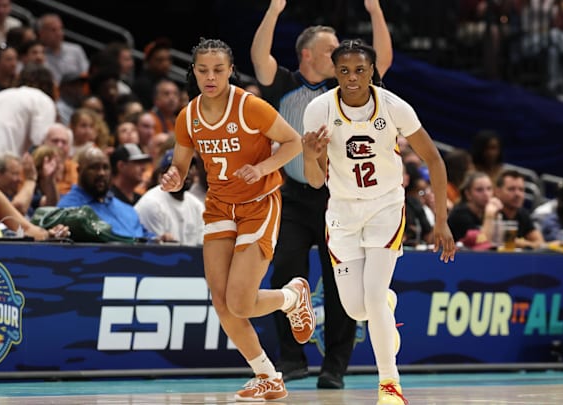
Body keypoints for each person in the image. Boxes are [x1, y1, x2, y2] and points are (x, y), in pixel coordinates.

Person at [302, 39, 456, 405]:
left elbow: (434, 161)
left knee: (370, 297)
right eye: (344, 71)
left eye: (359, 70)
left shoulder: (394, 107)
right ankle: (385, 304)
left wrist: (443, 221)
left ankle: (390, 385)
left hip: (385, 207)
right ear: (334, 72)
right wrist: (311, 154)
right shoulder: (318, 110)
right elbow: (313, 180)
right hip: (341, 211)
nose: (352, 77)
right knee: (359, 309)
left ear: (372, 71)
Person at [160, 38, 313, 402]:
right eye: (202, 70)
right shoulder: (189, 116)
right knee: (221, 301)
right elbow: (181, 165)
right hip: (219, 207)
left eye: (217, 69)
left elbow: (293, 143)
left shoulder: (250, 107)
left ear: (230, 71)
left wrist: (260, 168)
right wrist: (173, 177)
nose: (210, 76)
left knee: (241, 302)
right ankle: (267, 375)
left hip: (259, 203)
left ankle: (292, 297)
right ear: (193, 72)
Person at [250, 0, 393, 389]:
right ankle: (291, 358)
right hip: (292, 198)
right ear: (308, 54)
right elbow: (258, 56)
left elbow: (381, 63)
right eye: (332, 50)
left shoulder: (343, 88)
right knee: (285, 274)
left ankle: (335, 367)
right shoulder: (282, 83)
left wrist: (376, 11)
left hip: (338, 200)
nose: (341, 56)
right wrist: (276, 10)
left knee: (340, 284)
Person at [135, 150, 204, 246]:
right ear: (164, 174)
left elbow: (201, 246)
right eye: (180, 168)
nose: (186, 172)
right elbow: (153, 251)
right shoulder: (151, 203)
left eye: (190, 167)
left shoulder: (197, 205)